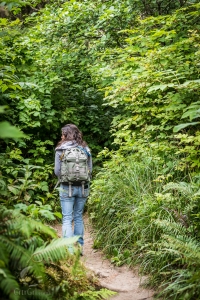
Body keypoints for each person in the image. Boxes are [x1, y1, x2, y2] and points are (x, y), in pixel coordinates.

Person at [54, 124, 92, 254]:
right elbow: (90, 170)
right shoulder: (85, 148)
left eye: (62, 134)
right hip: (83, 188)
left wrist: (66, 177)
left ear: (66, 135)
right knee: (78, 217)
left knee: (66, 218)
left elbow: (57, 171)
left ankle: (69, 251)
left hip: (66, 188)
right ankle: (79, 249)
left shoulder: (61, 149)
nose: (61, 136)